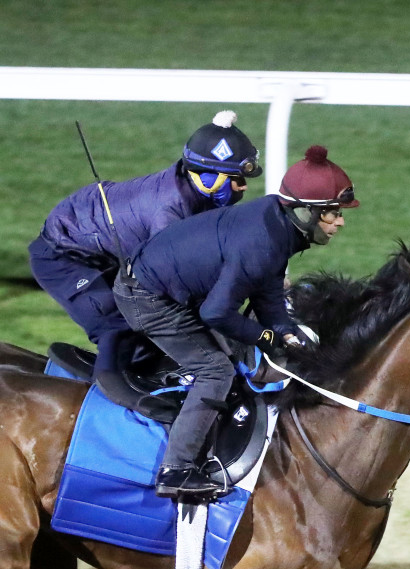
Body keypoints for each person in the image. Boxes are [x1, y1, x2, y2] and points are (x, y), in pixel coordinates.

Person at [112, 144, 359, 500]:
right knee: (217, 370)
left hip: (170, 284)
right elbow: (216, 313)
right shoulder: (263, 242)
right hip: (147, 298)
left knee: (239, 351)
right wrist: (267, 335)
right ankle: (176, 470)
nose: (340, 221)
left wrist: (285, 331)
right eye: (332, 213)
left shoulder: (276, 222)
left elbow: (267, 285)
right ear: (305, 213)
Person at [29, 111, 262, 392]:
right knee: (120, 323)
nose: (244, 186)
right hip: (64, 257)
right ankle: (108, 389)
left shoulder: (196, 187)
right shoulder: (169, 211)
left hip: (105, 246)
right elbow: (173, 285)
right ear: (210, 177)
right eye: (237, 178)